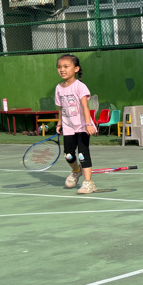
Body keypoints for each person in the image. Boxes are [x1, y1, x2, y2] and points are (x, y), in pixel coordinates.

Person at [55, 54, 98, 194]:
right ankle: (76, 171)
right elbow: (60, 107)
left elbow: (85, 107)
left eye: (66, 66)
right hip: (68, 127)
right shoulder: (58, 88)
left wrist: (88, 124)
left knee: (82, 154)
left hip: (82, 125)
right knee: (68, 154)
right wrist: (59, 123)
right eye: (59, 67)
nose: (62, 70)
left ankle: (88, 183)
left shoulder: (80, 87)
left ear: (76, 69)